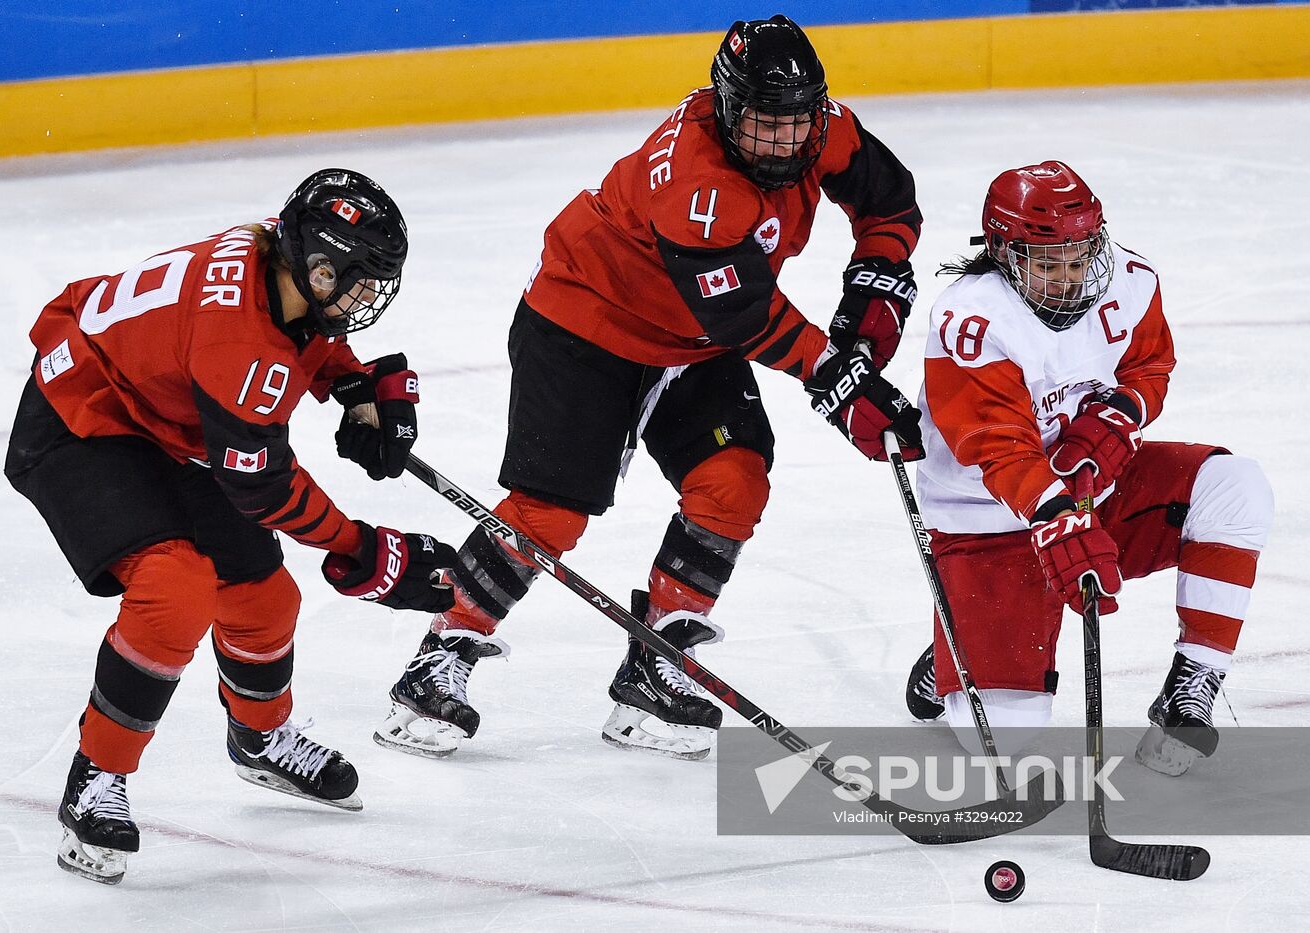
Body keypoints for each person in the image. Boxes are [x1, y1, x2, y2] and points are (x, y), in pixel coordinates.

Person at [374, 14, 925, 762]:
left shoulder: (822, 129)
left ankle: (656, 662)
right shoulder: (697, 181)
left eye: (796, 124)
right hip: (583, 324)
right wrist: (836, 376)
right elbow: (743, 313)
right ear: (727, 106)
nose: (782, 143)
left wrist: (876, 289)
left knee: (734, 481)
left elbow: (889, 200)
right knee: (550, 512)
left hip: (688, 344)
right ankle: (441, 654)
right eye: (764, 124)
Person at [5, 168, 459, 885]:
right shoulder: (236, 342)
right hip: (76, 418)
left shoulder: (267, 261)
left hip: (151, 416)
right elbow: (262, 483)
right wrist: (362, 549)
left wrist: (348, 382)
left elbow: (297, 333)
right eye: (357, 279)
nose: (364, 298)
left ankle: (259, 738)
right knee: (175, 588)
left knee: (264, 596)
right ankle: (94, 779)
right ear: (318, 262)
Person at [902, 161, 1273, 775]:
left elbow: (1150, 365)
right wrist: (1056, 518)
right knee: (1000, 740)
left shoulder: (1127, 279)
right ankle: (955, 641)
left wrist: (1120, 417)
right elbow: (999, 448)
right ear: (1001, 250)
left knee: (1235, 485)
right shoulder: (970, 321)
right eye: (1047, 263)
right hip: (985, 526)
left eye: (1079, 258)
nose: (1069, 278)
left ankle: (1193, 685)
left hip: (1095, 496)